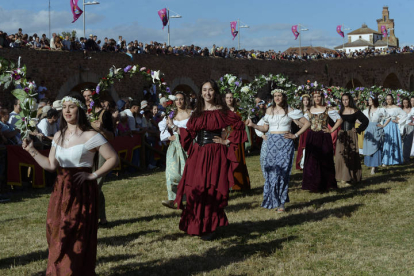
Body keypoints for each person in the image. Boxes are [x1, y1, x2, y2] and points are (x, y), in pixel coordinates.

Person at [21, 93, 118, 275]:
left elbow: (113, 158)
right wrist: (31, 150)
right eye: (64, 107)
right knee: (56, 230)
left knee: (77, 233)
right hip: (61, 189)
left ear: (79, 110)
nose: (66, 111)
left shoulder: (91, 135)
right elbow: (51, 165)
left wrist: (93, 175)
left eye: (71, 107)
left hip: (81, 190)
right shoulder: (58, 135)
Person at [174, 80, 247, 240]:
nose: (207, 93)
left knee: (210, 189)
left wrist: (226, 141)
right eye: (204, 90)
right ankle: (194, 224)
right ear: (201, 93)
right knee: (196, 188)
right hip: (198, 154)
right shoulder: (197, 112)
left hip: (215, 154)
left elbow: (239, 126)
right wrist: (177, 129)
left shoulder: (222, 111)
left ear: (215, 93)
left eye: (211, 90)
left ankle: (208, 226)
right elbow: (190, 132)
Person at [248, 89, 310, 212]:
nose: (277, 98)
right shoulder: (269, 110)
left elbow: (307, 123)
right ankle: (271, 199)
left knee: (282, 173)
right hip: (271, 143)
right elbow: (265, 128)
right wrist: (253, 125)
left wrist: (295, 135)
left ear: (283, 97)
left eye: (279, 96)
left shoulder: (290, 110)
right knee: (271, 172)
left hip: (285, 143)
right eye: (275, 96)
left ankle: (281, 203)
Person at [302, 90, 342, 192]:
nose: (317, 99)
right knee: (312, 160)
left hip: (323, 136)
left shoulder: (327, 109)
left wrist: (331, 130)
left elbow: (339, 120)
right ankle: (313, 184)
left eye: (318, 96)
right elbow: (303, 123)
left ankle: (326, 184)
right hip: (312, 136)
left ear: (322, 97)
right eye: (315, 97)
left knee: (325, 159)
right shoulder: (309, 110)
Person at [158, 92, 191, 208]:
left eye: (181, 99)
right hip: (175, 147)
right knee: (172, 174)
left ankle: (188, 198)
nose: (179, 102)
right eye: (176, 100)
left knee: (187, 173)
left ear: (185, 100)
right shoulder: (171, 114)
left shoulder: (191, 114)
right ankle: (172, 199)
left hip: (188, 145)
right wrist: (168, 136)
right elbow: (162, 125)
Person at [335, 93, 369, 185]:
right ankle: (343, 176)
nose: (345, 101)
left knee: (351, 155)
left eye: (346, 99)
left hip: (351, 135)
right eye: (343, 100)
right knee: (341, 156)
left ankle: (351, 177)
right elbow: (334, 122)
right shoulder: (340, 111)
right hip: (342, 135)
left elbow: (365, 121)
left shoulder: (355, 111)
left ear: (349, 100)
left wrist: (358, 129)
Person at [224, 92, 250, 191]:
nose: (229, 99)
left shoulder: (240, 111)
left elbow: (243, 125)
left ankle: (240, 185)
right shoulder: (222, 112)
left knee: (238, 159)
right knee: (227, 161)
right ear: (225, 99)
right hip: (227, 137)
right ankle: (228, 185)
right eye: (227, 98)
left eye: (231, 97)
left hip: (238, 138)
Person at [363, 95, 387, 174]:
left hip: (376, 129)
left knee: (376, 147)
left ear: (374, 100)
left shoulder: (380, 110)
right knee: (369, 147)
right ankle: (371, 164)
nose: (368, 101)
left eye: (370, 100)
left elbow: (389, 117)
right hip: (369, 129)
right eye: (368, 100)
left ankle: (374, 166)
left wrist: (383, 125)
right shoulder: (366, 111)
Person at [382, 94, 407, 166]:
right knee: (386, 141)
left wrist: (398, 121)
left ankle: (395, 159)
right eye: (387, 99)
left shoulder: (396, 108)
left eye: (389, 99)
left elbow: (404, 115)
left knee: (394, 141)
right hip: (385, 125)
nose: (388, 100)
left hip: (393, 127)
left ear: (392, 99)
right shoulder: (384, 107)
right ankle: (386, 160)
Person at [295, 94, 311, 170]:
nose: (306, 102)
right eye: (304, 100)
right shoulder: (299, 111)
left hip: (309, 130)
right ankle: (302, 163)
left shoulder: (311, 110)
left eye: (307, 100)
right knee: (303, 147)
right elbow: (296, 121)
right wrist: (298, 123)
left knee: (308, 147)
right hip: (303, 131)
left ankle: (308, 162)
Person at [401, 97, 414, 163]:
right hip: (401, 127)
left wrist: (413, 123)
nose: (405, 104)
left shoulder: (411, 109)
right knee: (401, 142)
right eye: (404, 103)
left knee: (407, 143)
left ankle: (406, 158)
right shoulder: (400, 109)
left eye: (406, 102)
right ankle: (401, 157)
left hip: (409, 127)